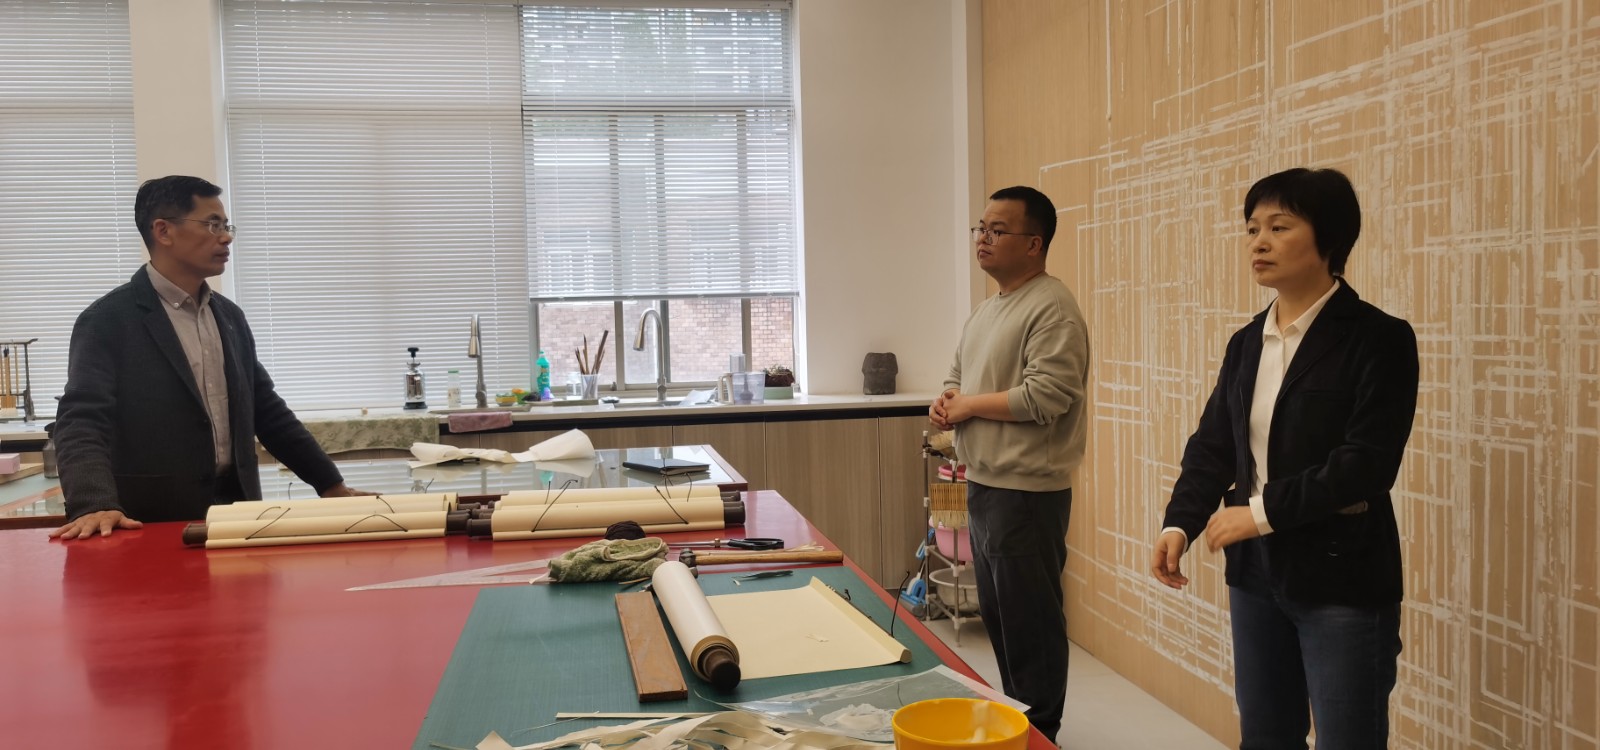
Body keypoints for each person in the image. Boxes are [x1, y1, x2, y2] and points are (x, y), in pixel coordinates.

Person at [1151, 167, 1419, 749]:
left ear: (1329, 238)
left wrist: (1258, 512)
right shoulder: (1247, 341)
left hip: (1342, 577)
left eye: (1279, 226)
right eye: (1252, 229)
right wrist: (1180, 523)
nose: (1259, 243)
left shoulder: (1379, 338)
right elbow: (1214, 445)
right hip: (1256, 576)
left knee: (1348, 740)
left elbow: (1367, 464)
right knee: (1266, 737)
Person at [50, 175, 361, 540]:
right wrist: (93, 502)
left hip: (239, 514)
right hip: (152, 522)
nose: (226, 237)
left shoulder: (229, 316)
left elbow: (267, 411)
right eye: (213, 224)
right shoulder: (107, 320)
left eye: (226, 225)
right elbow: (81, 421)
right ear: (164, 231)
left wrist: (330, 485)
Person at [931, 185, 1089, 743]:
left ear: (1034, 243)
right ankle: (1018, 724)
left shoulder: (1052, 307)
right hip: (985, 482)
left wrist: (970, 405)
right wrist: (947, 401)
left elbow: (1047, 396)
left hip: (1027, 493)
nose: (983, 238)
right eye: (981, 228)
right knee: (1001, 619)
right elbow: (958, 375)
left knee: (1031, 624)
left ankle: (1040, 733)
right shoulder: (987, 310)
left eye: (998, 230)